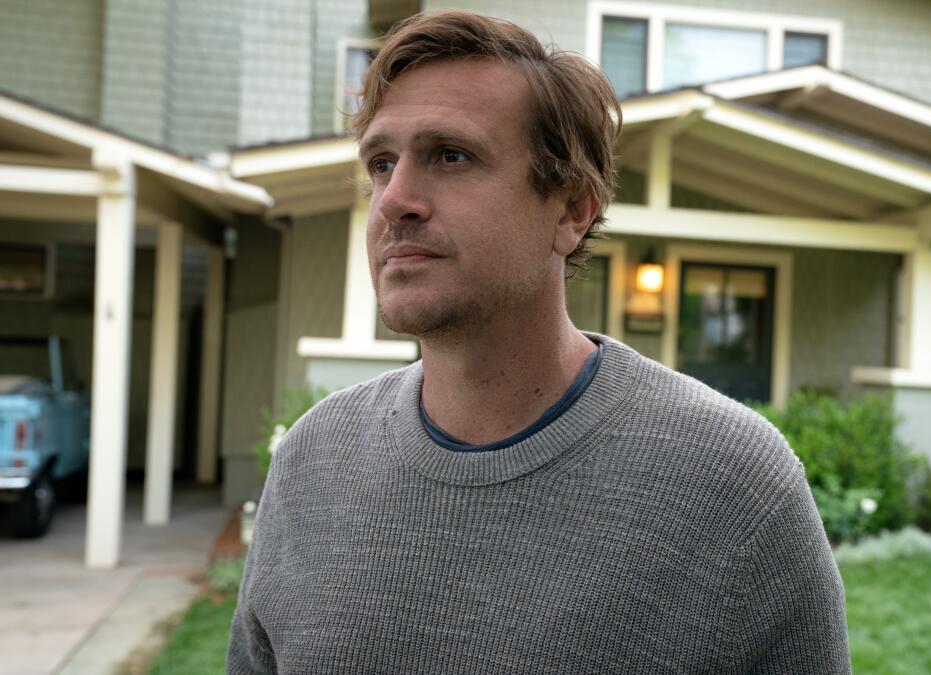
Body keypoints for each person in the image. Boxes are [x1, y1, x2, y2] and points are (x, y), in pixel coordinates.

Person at [228, 10, 850, 673]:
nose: (394, 199)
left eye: (450, 155)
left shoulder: (733, 485)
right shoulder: (310, 464)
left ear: (572, 210)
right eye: (381, 163)